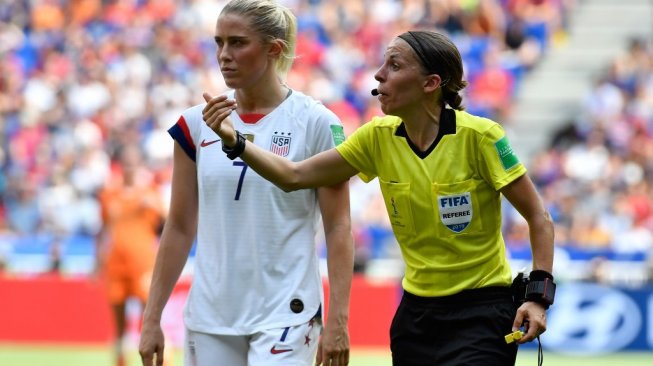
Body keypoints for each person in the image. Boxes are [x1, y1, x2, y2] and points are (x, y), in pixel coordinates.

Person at [204, 29, 556, 365]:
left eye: (395, 66)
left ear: (431, 84)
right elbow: (295, 176)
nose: (378, 75)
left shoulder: (481, 137)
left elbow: (539, 217)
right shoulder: (377, 136)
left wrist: (538, 298)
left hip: (482, 313)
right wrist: (236, 142)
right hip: (416, 317)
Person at [139, 1, 354, 366]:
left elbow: (338, 227)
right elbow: (177, 227)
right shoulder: (194, 125)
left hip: (288, 311)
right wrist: (151, 317)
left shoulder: (317, 122)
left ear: (274, 49)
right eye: (219, 43)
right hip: (210, 315)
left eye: (238, 43)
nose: (224, 55)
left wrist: (338, 318)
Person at [96, 143, 166, 366]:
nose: (129, 167)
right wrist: (96, 261)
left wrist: (152, 202)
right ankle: (120, 361)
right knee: (118, 325)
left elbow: (166, 224)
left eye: (133, 163)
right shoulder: (109, 194)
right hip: (116, 264)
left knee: (151, 318)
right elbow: (103, 229)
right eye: (126, 163)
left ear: (139, 166)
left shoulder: (149, 193)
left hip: (143, 264)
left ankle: (162, 361)